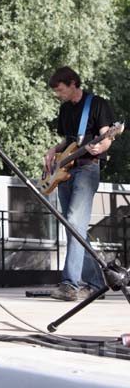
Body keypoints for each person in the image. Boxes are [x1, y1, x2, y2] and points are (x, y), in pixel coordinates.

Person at [44, 66, 114, 301]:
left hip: (87, 169)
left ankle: (69, 284)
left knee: (74, 223)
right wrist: (54, 149)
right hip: (66, 171)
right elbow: (69, 141)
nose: (59, 95)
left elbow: (107, 136)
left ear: (73, 83)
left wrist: (101, 146)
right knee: (73, 227)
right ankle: (95, 283)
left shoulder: (97, 104)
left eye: (61, 90)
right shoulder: (65, 109)